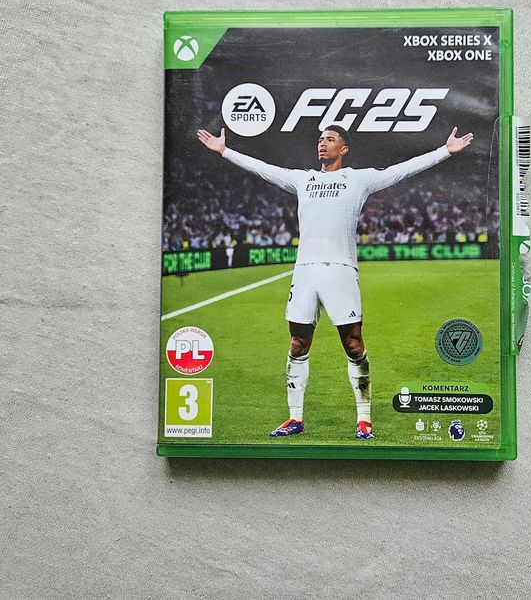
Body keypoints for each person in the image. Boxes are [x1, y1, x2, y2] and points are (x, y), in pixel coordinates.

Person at [196, 124, 473, 439]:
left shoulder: (358, 179)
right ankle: (295, 418)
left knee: (353, 344)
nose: (322, 143)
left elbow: (401, 170)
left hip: (341, 270)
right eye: (320, 139)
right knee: (298, 343)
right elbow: (264, 169)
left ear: (344, 149)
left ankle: (364, 419)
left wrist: (444, 151)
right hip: (305, 271)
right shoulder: (303, 179)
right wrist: (225, 151)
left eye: (330, 139)